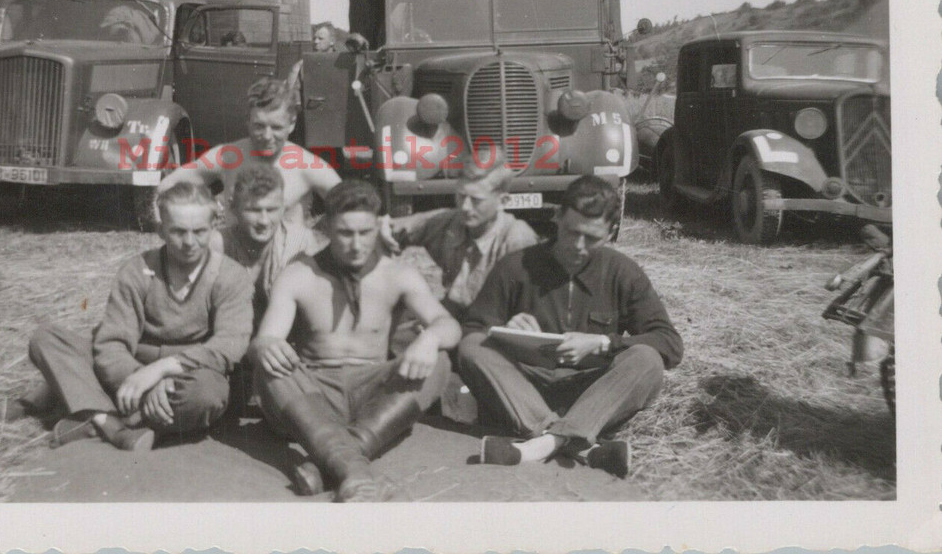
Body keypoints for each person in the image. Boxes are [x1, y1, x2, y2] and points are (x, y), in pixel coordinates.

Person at [249, 180, 461, 502]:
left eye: (365, 232)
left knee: (440, 360)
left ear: (377, 227)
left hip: (375, 395)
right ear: (327, 229)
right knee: (268, 367)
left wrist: (431, 337)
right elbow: (266, 338)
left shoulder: (398, 274)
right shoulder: (299, 274)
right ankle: (357, 474)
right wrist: (266, 346)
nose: (356, 244)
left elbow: (449, 325)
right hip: (314, 394)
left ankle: (331, 463)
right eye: (345, 233)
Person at [458, 175, 683, 478]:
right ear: (557, 216)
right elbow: (471, 329)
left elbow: (669, 343)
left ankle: (539, 445)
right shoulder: (515, 266)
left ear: (611, 232)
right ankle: (579, 446)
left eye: (591, 238)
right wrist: (504, 331)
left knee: (648, 360)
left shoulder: (623, 272)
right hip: (525, 391)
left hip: (594, 395)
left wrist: (603, 343)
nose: (578, 246)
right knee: (472, 347)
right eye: (571, 232)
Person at [13, 182, 255, 451]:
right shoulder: (138, 270)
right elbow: (112, 343)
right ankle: (112, 425)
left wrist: (160, 372)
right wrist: (143, 381)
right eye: (178, 231)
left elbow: (228, 347)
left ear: (212, 228)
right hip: (132, 368)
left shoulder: (231, 276)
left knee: (208, 394)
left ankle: (94, 413)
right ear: (161, 230)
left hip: (188, 375)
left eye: (199, 231)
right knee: (47, 339)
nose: (189, 242)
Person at [159, 76, 340, 225]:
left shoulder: (307, 165)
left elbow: (353, 208)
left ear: (292, 124)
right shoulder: (227, 156)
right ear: (248, 121)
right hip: (233, 264)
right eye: (259, 126)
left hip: (287, 265)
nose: (267, 136)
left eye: (276, 127)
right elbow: (167, 186)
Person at [382, 156, 539, 319]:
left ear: (503, 201)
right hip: (452, 318)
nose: (465, 207)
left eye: (476, 200)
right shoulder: (449, 221)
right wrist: (385, 233)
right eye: (461, 196)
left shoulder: (517, 238)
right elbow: (391, 227)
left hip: (492, 325)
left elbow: (527, 307)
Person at [217, 163, 318, 319]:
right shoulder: (217, 244)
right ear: (233, 207)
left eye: (271, 210)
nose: (263, 221)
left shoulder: (302, 244)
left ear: (284, 207)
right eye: (254, 210)